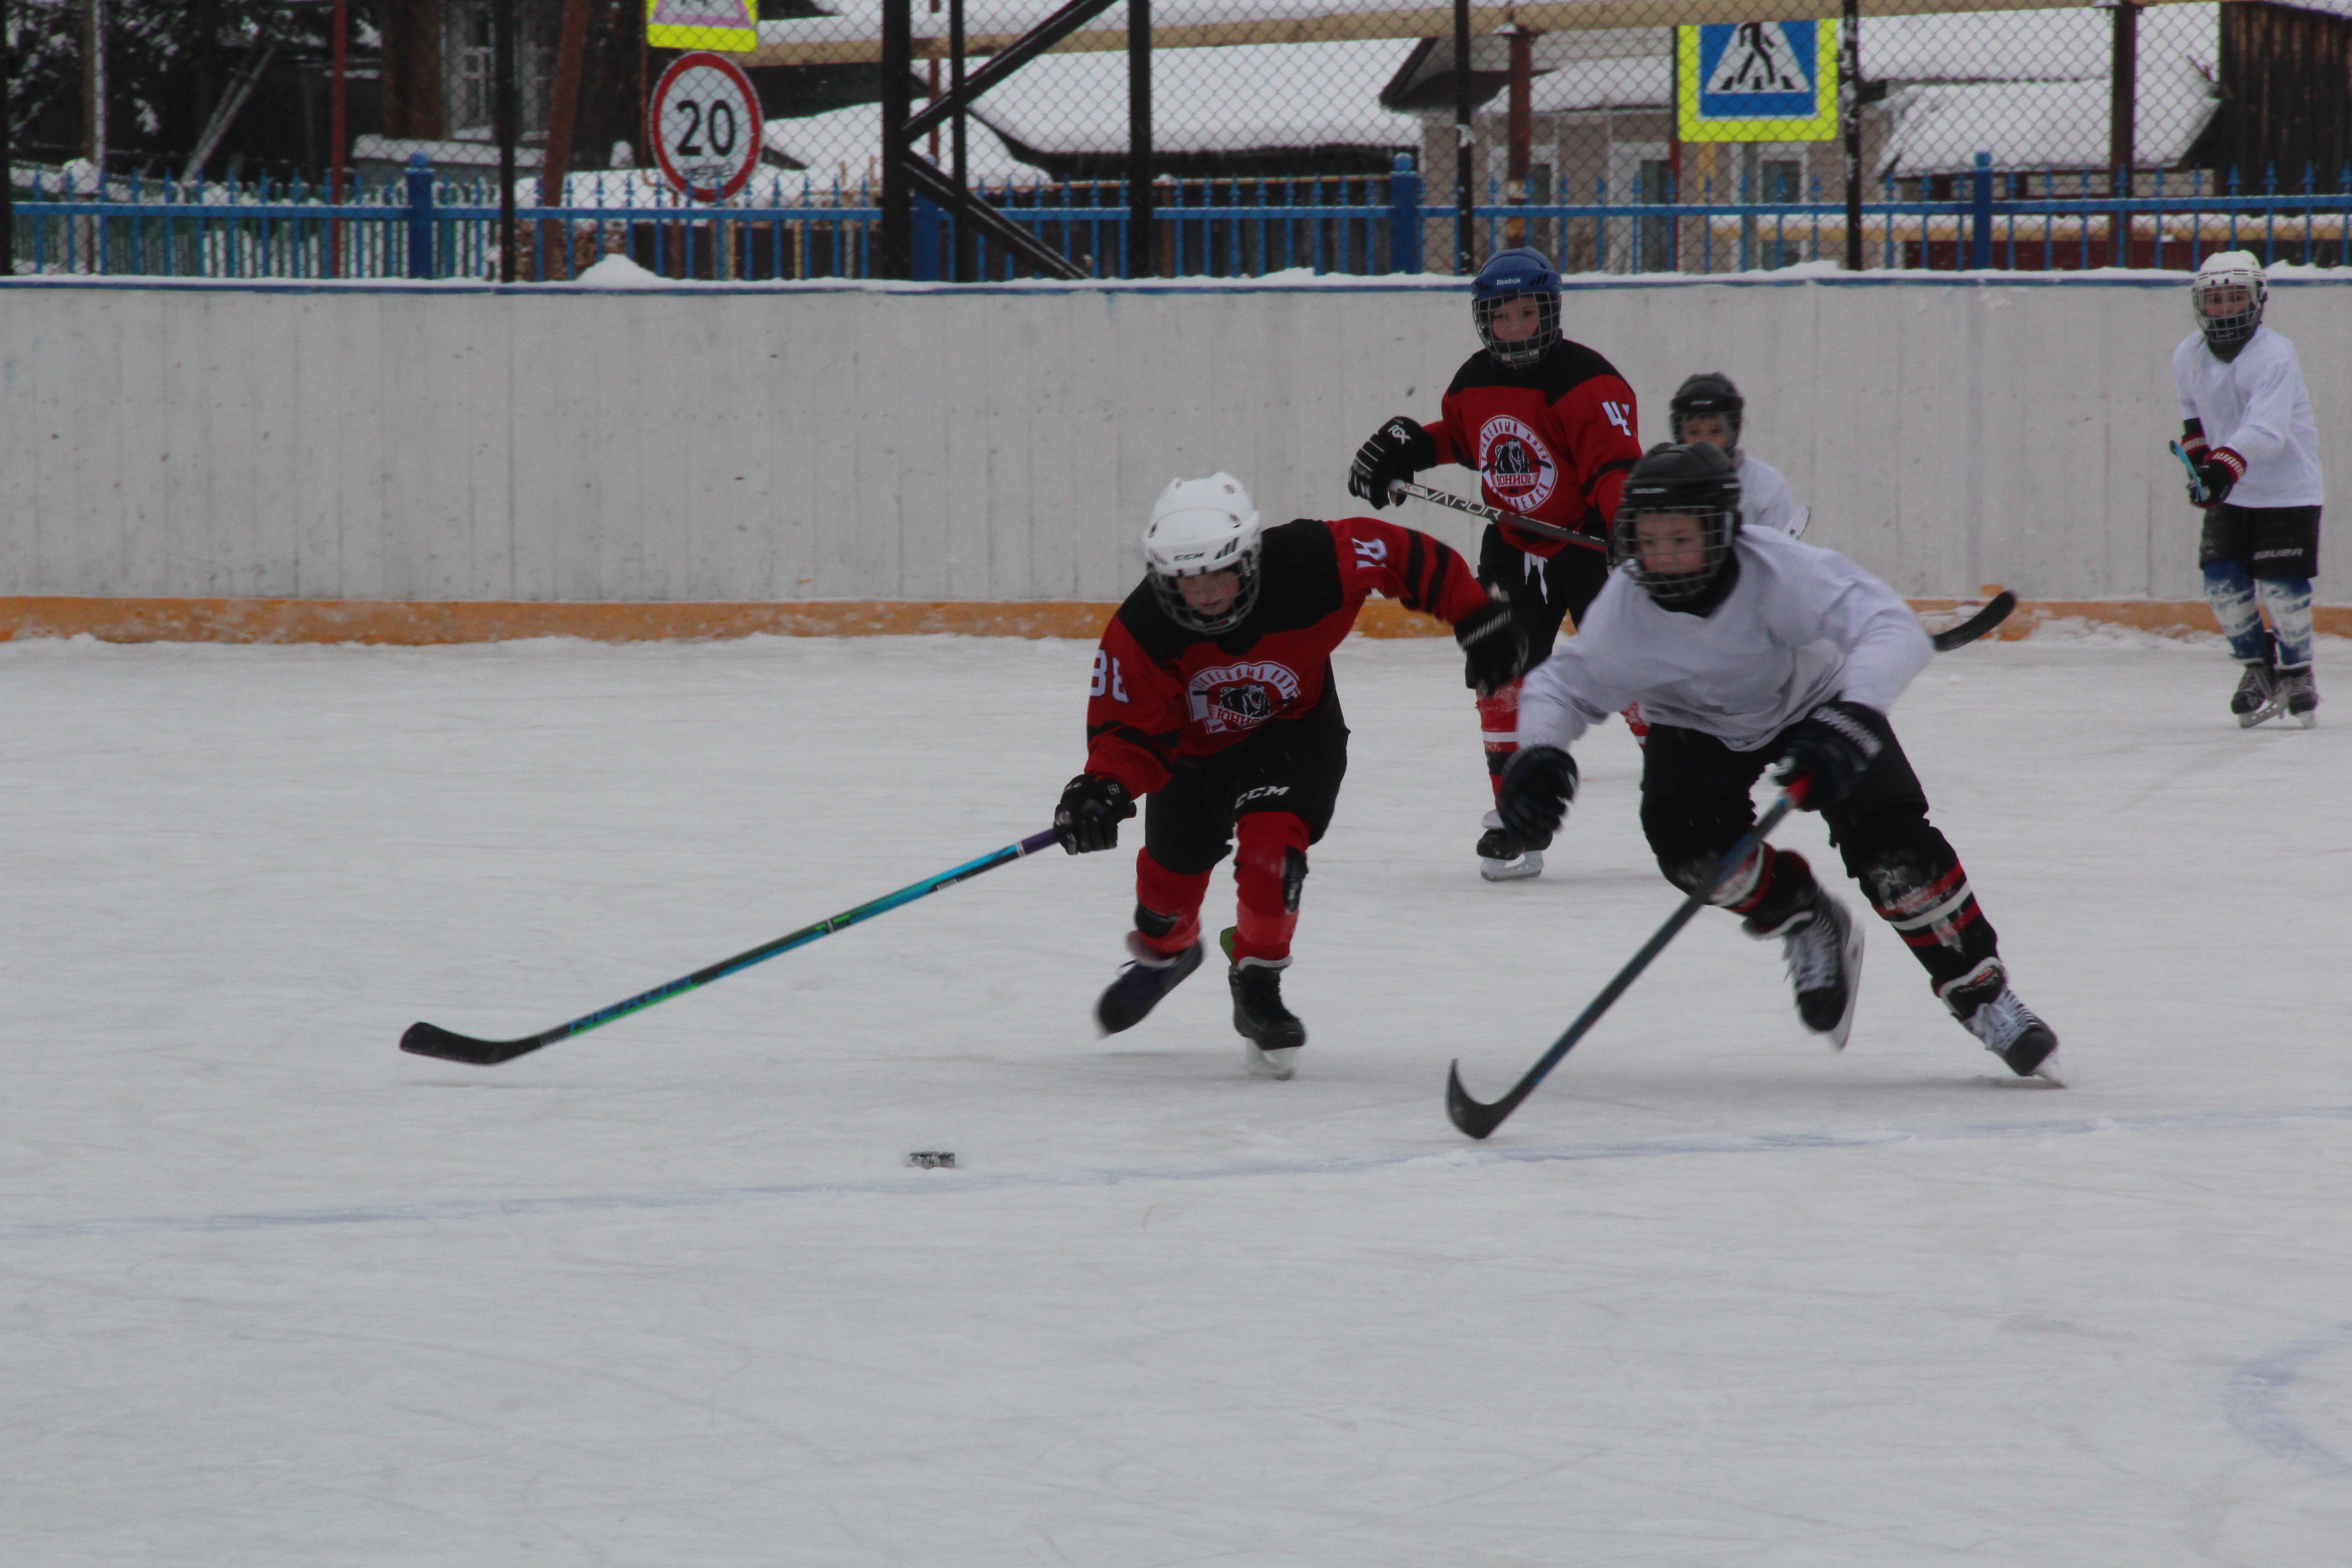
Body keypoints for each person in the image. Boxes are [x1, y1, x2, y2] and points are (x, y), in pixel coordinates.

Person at [1494, 442, 2061, 1081]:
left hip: (1816, 703)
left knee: (1896, 853)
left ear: (1725, 531)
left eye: (1681, 538)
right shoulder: (1628, 610)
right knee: (1692, 854)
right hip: (1696, 726)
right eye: (1649, 540)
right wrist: (1538, 754)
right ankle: (1804, 916)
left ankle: (1982, 996)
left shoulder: (1784, 570)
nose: (1664, 557)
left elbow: (1890, 627)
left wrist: (1855, 717)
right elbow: (1564, 686)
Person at [1054, 473, 1524, 1080]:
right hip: (1191, 760)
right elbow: (1128, 733)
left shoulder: (1311, 562)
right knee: (1166, 897)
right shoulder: (1140, 632)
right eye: (1189, 583)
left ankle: (1258, 981)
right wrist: (1103, 788)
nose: (1209, 596)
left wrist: (1473, 612)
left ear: (1250, 559)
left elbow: (1404, 554)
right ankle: (1167, 955)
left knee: (1273, 856)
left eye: (1221, 575)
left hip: (1294, 732)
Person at [1344, 247, 1644, 882]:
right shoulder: (1475, 378)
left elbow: (1615, 465)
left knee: (1635, 675)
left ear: (1549, 313)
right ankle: (1517, 820)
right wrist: (1411, 448)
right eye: (1499, 317)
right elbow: (1464, 439)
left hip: (1587, 544)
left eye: (1524, 314)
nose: (1512, 328)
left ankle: (1695, 800)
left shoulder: (1588, 382)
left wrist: (1624, 525)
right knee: (1497, 672)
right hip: (1512, 541)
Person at [2172, 250, 2325, 728]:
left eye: (2234, 298)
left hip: (2287, 489)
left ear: (2258, 300)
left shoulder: (2274, 354)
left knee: (2282, 589)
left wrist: (2220, 467)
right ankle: (2257, 669)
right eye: (2214, 300)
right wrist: (2201, 468)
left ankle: (2298, 671)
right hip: (2235, 488)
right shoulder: (2187, 355)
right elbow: (2193, 418)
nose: (2224, 309)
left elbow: (2266, 430)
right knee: (2222, 585)